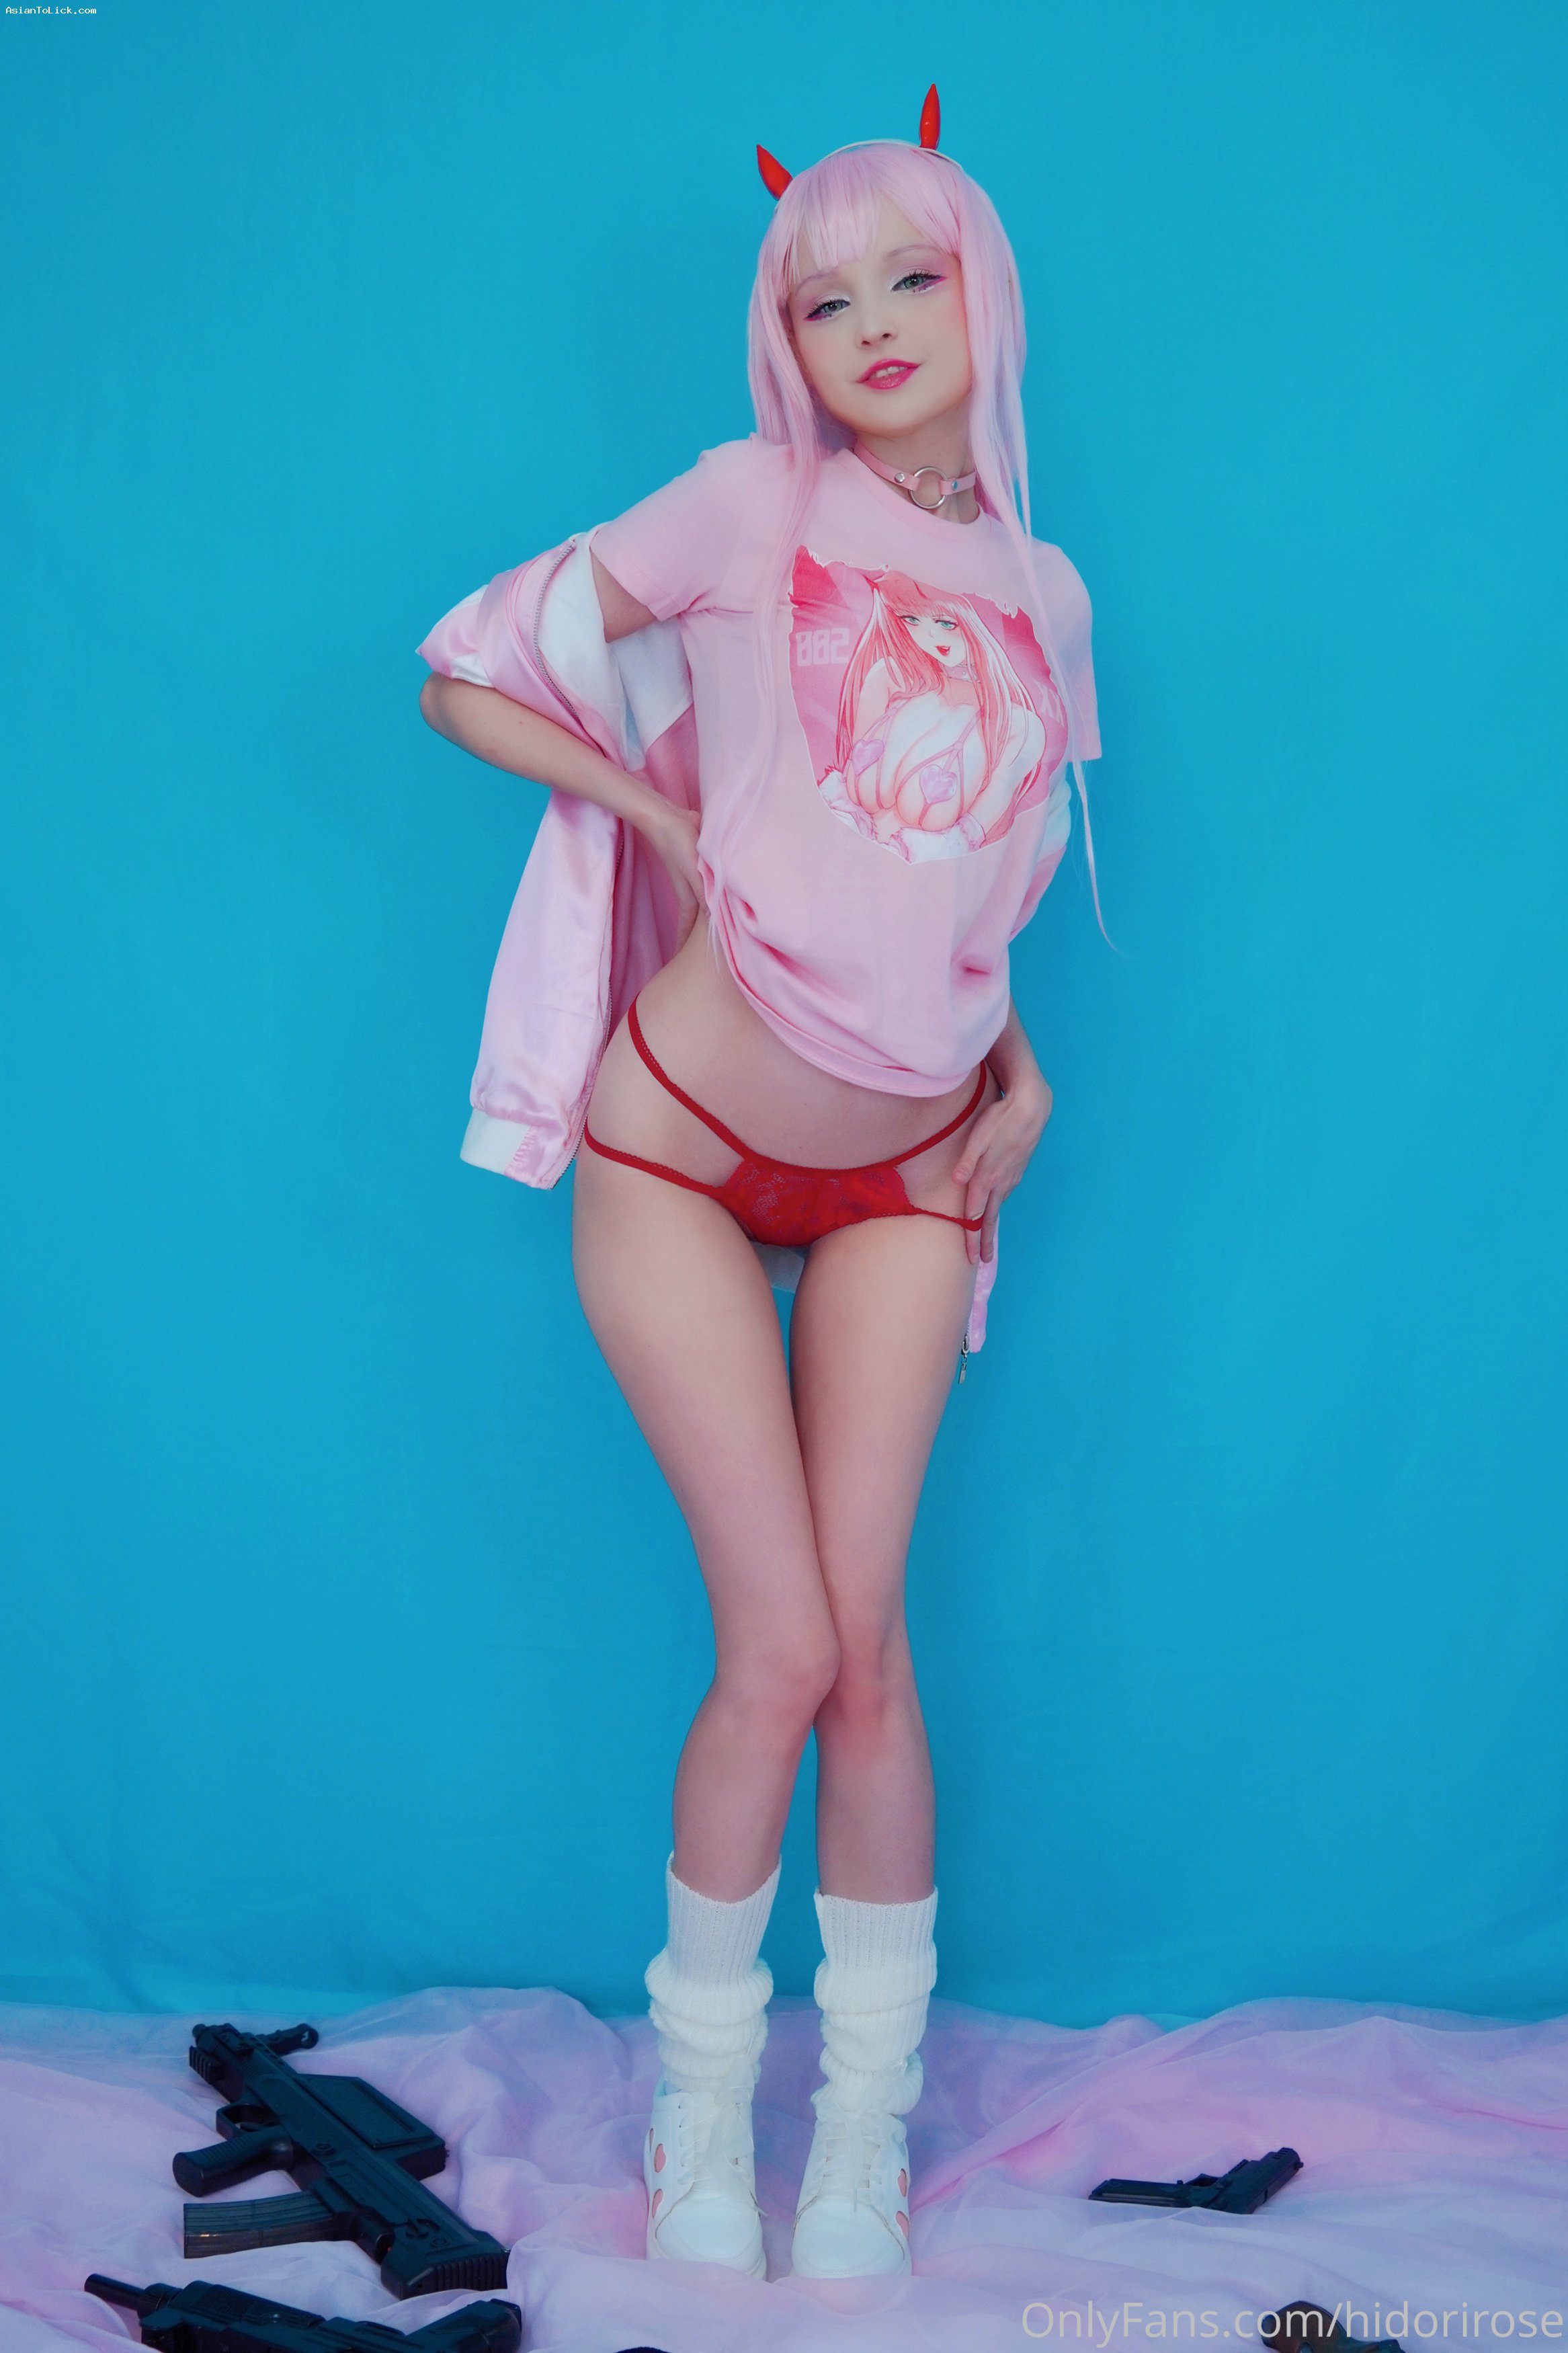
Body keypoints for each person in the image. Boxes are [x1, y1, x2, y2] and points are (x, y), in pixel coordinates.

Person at [417, 93, 1101, 2282]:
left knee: (872, 1656)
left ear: (986, 297)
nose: (873, 321)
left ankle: (863, 2143)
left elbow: (962, 872)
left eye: (912, 276)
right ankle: (701, 2118)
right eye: (824, 299)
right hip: (680, 1155)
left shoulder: (1050, 589)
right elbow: (462, 673)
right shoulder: (744, 503)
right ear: (781, 342)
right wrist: (657, 813)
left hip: (912, 1166)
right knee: (780, 1645)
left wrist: (1023, 1068)